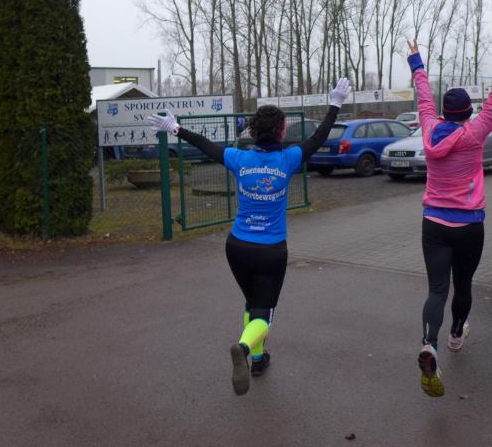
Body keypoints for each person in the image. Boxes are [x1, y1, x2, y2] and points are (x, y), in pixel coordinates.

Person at [148, 78, 351, 396]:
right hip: (271, 250)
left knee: (252, 303)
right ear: (281, 132)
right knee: (263, 312)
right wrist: (335, 104)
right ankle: (244, 348)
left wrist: (175, 128)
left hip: (237, 247)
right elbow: (319, 137)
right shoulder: (288, 159)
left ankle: (258, 359)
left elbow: (206, 146)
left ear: (254, 132)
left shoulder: (239, 158)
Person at [406, 29, 492, 397]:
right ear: (468, 113)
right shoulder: (475, 133)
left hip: (433, 224)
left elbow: (423, 97)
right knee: (463, 284)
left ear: (444, 112)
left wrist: (416, 62)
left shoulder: (429, 128)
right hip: (469, 225)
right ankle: (456, 334)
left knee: (437, 289)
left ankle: (429, 344)